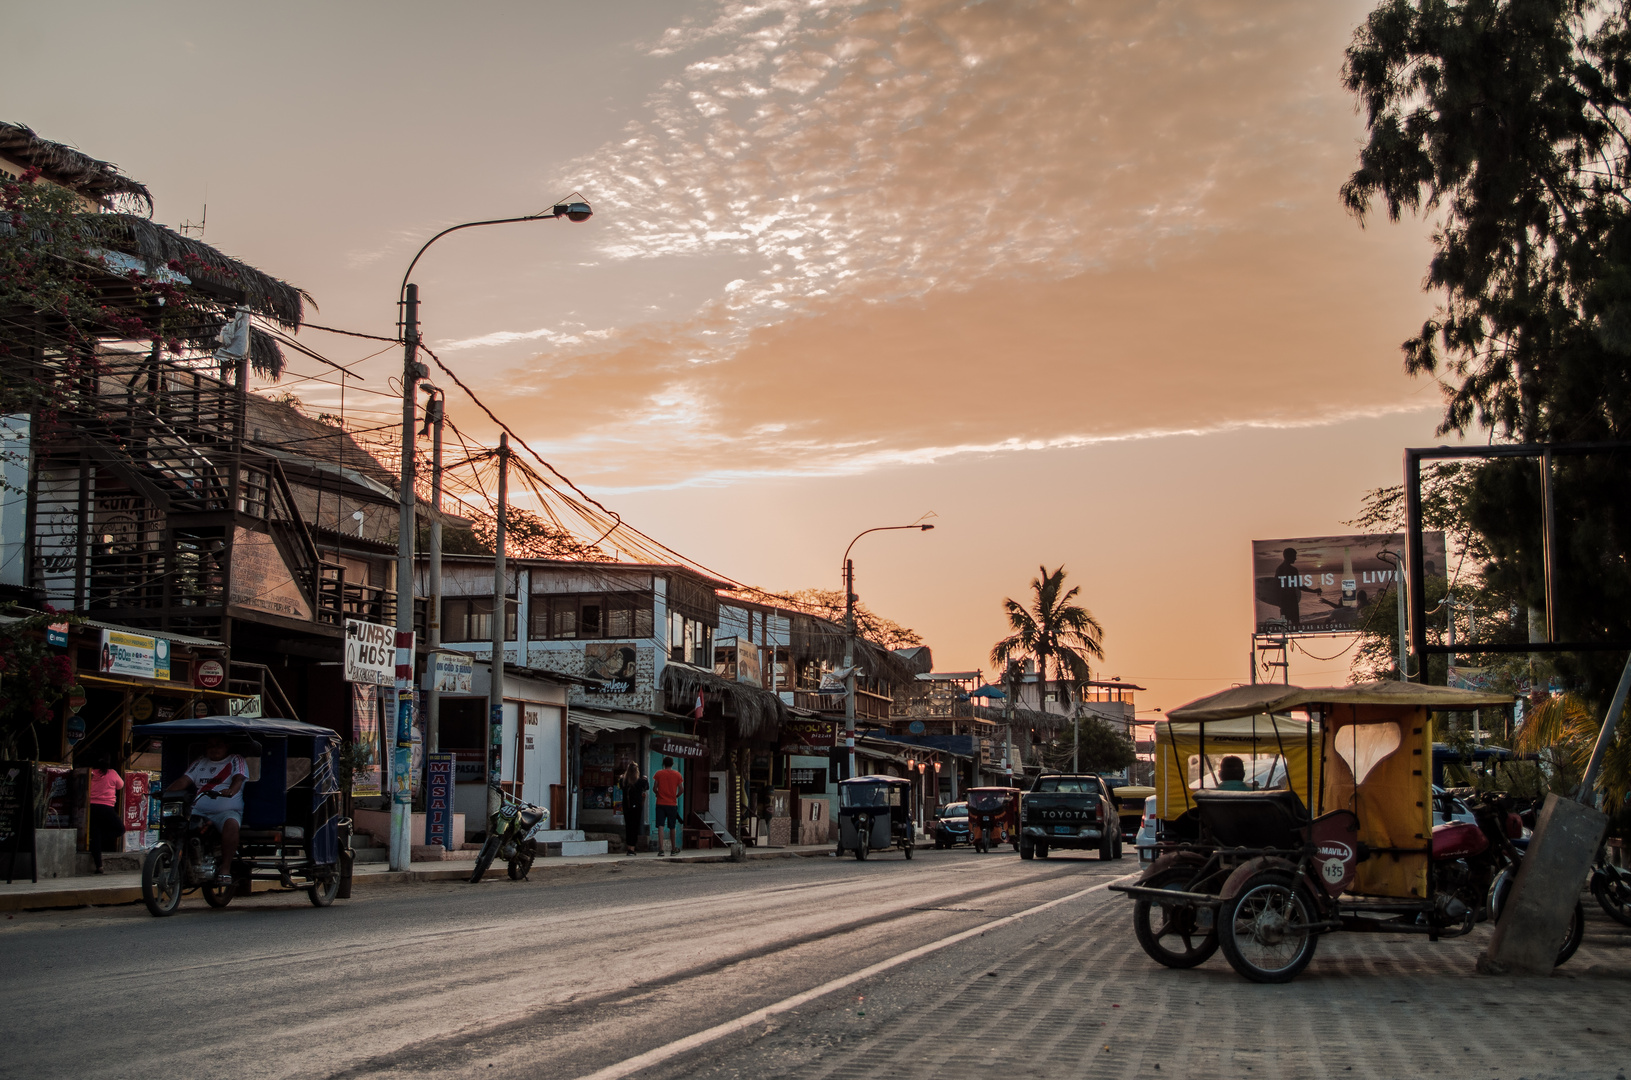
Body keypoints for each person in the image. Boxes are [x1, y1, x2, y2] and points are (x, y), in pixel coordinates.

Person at [166, 735, 247, 883]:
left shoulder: (236, 760)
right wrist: (165, 793)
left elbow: (239, 779)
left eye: (218, 744)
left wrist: (231, 790)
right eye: (210, 745)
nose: (214, 748)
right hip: (198, 811)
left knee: (232, 825)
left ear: (227, 746)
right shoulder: (200, 762)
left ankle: (225, 869)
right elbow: (184, 780)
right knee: (176, 824)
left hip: (226, 812)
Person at [86, 755, 124, 875]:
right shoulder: (112, 773)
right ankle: (99, 839)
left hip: (91, 807)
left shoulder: (90, 773)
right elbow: (120, 785)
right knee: (120, 829)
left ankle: (99, 866)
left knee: (95, 833)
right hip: (106, 807)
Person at [653, 756, 683, 856]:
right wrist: (676, 796)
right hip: (672, 804)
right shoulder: (677, 775)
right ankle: (673, 848)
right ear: (672, 763)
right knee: (672, 826)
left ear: (664, 764)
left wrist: (657, 793)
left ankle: (661, 849)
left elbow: (654, 788)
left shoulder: (659, 774)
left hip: (660, 803)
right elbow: (681, 789)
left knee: (660, 826)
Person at [621, 762, 648, 856]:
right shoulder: (640, 781)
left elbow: (621, 786)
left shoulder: (623, 781)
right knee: (635, 827)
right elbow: (646, 787)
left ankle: (629, 847)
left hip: (626, 806)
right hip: (637, 807)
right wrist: (645, 779)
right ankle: (632, 848)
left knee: (628, 827)